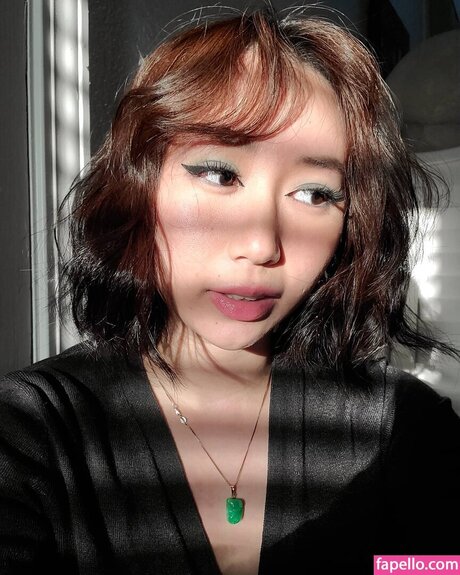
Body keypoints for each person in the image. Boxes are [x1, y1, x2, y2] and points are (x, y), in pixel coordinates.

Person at [1, 6, 459, 575]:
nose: (263, 244)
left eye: (315, 194)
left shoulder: (399, 428)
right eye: (219, 174)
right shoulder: (31, 432)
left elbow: (436, 565)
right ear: (140, 185)